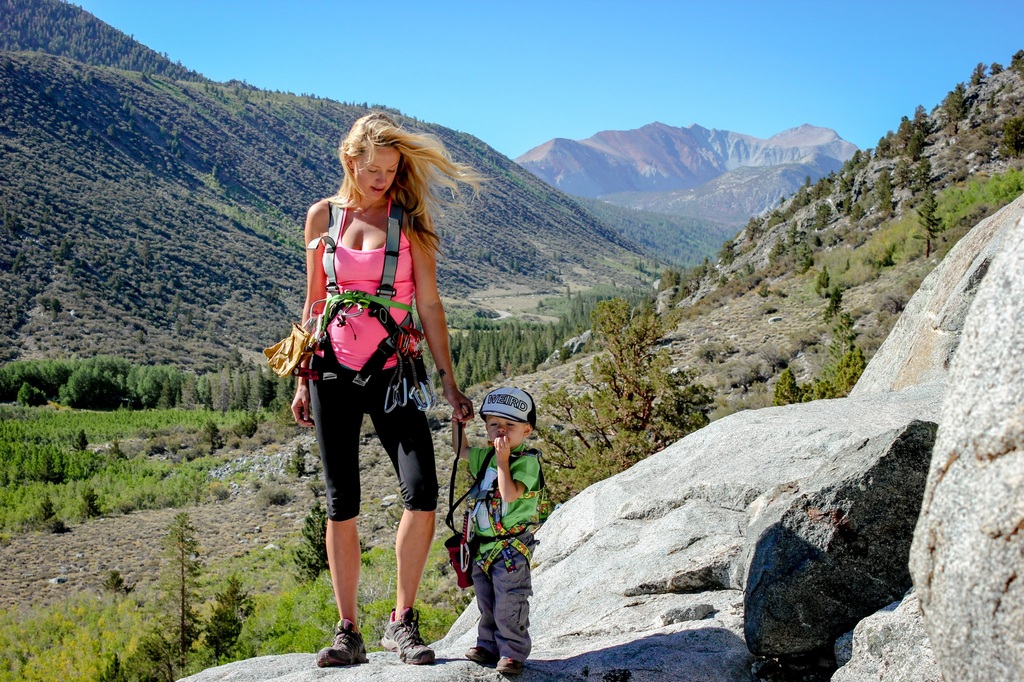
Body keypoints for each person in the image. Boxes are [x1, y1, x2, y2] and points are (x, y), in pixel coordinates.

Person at [291, 111, 479, 667]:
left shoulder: (410, 224)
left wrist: (449, 382)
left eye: (392, 170)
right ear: (351, 161)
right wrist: (302, 379)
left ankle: (402, 621)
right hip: (329, 369)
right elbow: (314, 301)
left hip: (394, 370)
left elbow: (430, 306)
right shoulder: (320, 218)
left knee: (421, 491)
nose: (383, 179)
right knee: (340, 501)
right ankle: (348, 631)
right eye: (373, 170)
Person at [453, 386, 542, 676]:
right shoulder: (487, 457)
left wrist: (503, 461)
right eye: (494, 425)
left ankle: (513, 651)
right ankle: (487, 644)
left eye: (510, 426)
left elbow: (509, 495)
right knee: (487, 600)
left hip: (511, 549)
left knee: (510, 600)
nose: (501, 432)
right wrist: (459, 425)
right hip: (484, 547)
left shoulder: (526, 463)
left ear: (526, 430)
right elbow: (461, 450)